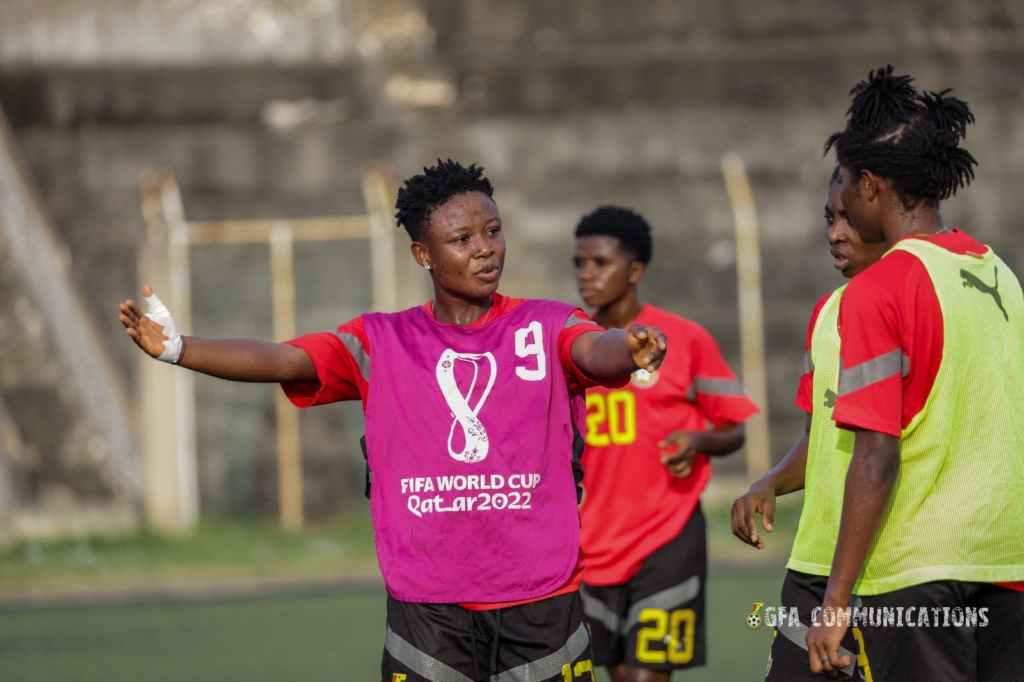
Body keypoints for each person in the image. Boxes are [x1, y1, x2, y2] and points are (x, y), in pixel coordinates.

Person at [118, 160, 668, 682]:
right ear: (422, 254)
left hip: (540, 599)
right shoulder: (380, 341)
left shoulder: (547, 324)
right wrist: (180, 348)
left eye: (493, 231)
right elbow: (287, 359)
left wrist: (630, 346)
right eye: (462, 239)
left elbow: (595, 351)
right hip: (427, 609)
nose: (485, 249)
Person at [803, 66, 1024, 681]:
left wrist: (836, 599)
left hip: (918, 574)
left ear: (870, 186)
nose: (839, 200)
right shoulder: (998, 273)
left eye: (845, 183)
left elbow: (876, 451)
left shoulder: (883, 287)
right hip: (1006, 562)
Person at [572, 206, 757, 682]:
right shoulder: (574, 346)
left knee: (647, 676)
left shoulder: (685, 339)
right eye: (580, 263)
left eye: (600, 263)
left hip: (666, 535)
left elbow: (735, 428)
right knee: (613, 673)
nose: (586, 274)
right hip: (590, 544)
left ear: (635, 271)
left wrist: (697, 440)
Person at [731, 168, 888, 681]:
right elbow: (816, 436)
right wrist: (769, 482)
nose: (835, 233)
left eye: (848, 218)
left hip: (884, 570)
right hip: (813, 567)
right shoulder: (825, 314)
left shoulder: (913, 307)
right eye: (829, 219)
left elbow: (881, 452)